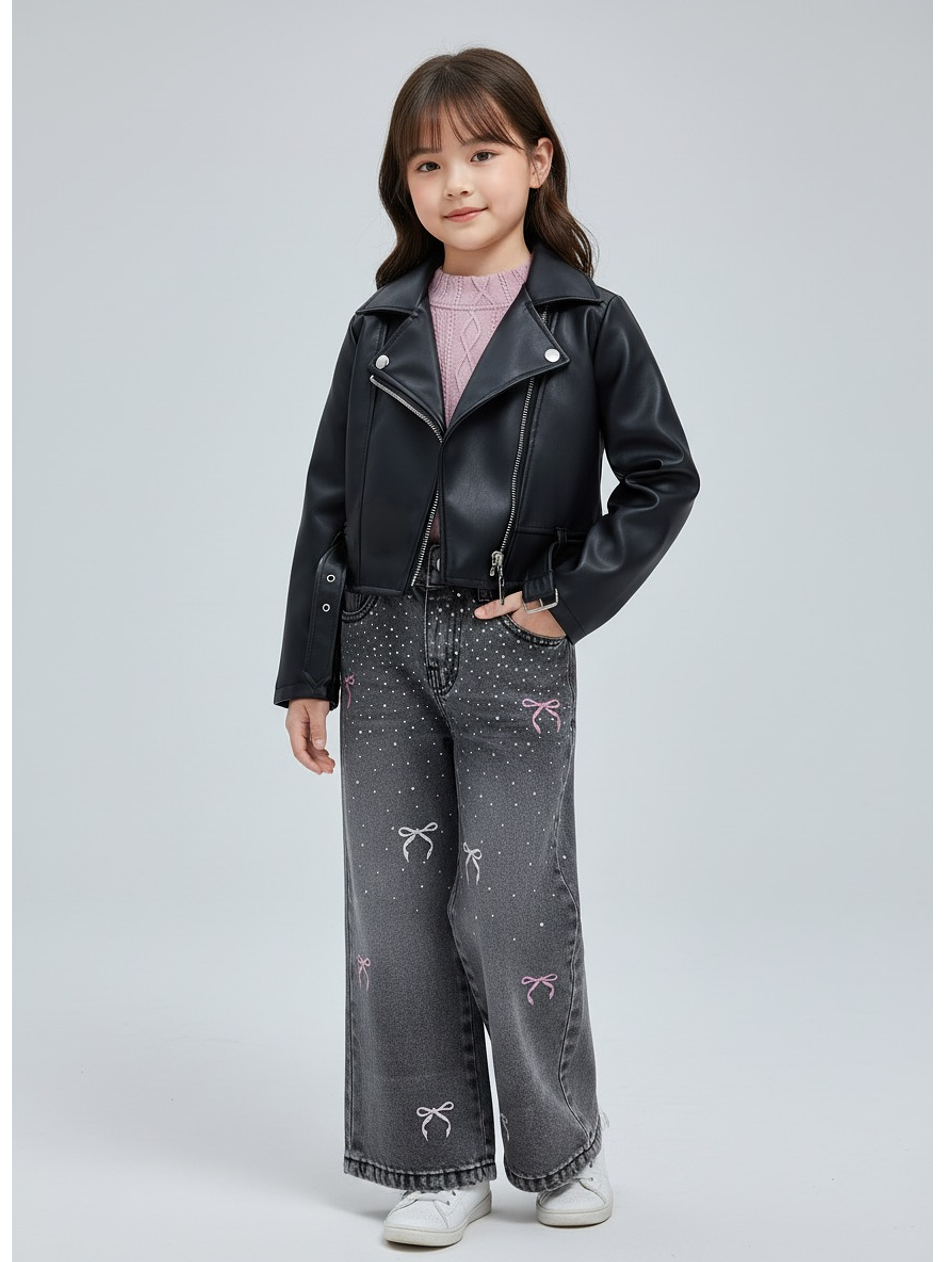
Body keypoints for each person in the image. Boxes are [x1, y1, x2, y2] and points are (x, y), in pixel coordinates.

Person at [274, 46, 699, 1248]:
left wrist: (566, 598)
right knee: (395, 915)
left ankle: (559, 1148)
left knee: (513, 901)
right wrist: (307, 668)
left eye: (481, 151)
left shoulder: (588, 322)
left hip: (513, 643)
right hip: (380, 645)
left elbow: (662, 477)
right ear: (402, 185)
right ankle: (433, 1159)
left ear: (536, 161)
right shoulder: (377, 328)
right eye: (425, 163)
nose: (454, 181)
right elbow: (326, 504)